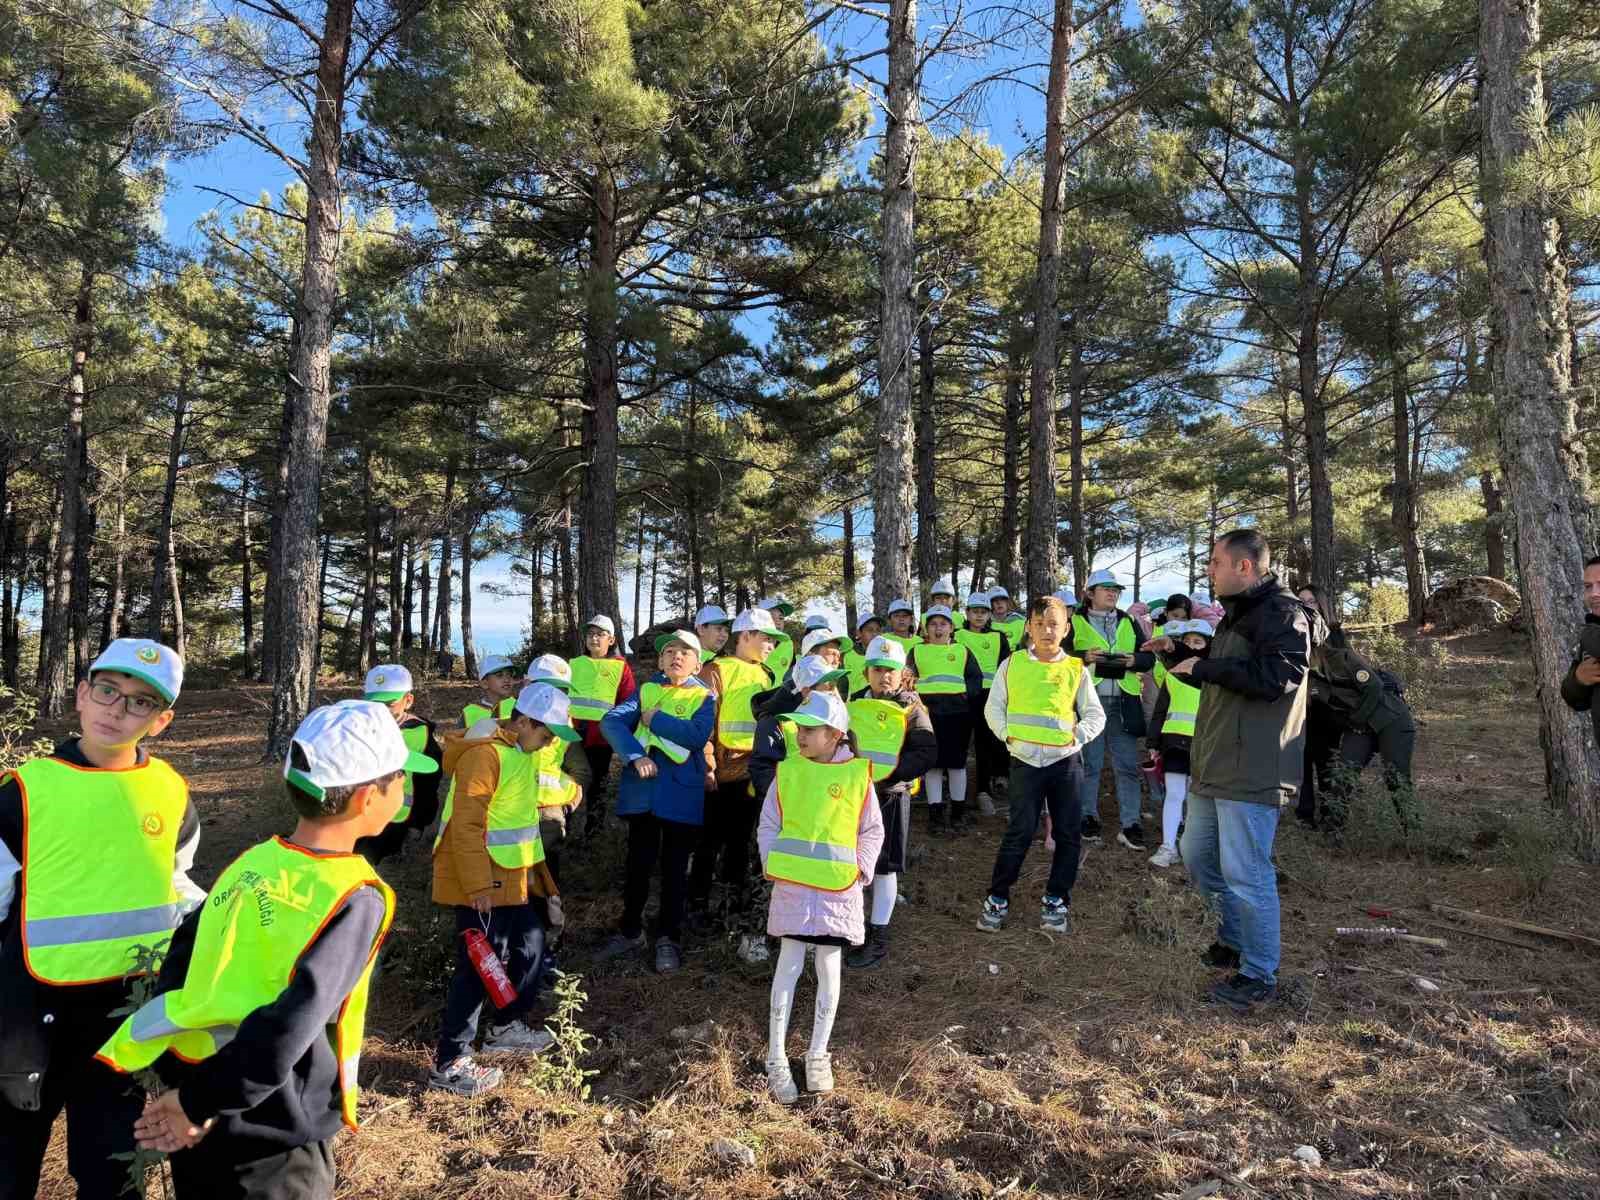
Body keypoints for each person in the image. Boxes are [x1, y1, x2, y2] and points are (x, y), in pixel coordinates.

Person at [99, 698, 436, 1198]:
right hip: (271, 1132)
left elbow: (185, 952)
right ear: (369, 798)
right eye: (399, 778)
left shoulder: (255, 859)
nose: (405, 788)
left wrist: (190, 1094)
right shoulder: (355, 895)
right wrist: (195, 1104)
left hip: (205, 1103)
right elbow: (290, 1023)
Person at [1, 639, 200, 1200]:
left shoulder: (171, 790)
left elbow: (178, 883)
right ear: (83, 694)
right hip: (28, 1017)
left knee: (110, 1169)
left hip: (126, 1018)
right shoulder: (24, 791)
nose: (118, 709)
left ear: (161, 721)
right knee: (8, 1163)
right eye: (108, 691)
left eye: (140, 702)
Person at [1144, 530, 1322, 1012]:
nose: (1210, 571)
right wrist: (1187, 662)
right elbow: (1229, 677)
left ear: (1245, 567)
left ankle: (1259, 973)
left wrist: (1205, 670)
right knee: (1197, 855)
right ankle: (1234, 940)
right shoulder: (1238, 614)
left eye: (1216, 563)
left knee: (1247, 873)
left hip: (1253, 767)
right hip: (1215, 760)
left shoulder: (1283, 614)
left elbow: (1275, 680)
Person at [428, 683, 580, 1095]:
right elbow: (467, 825)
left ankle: (506, 1025)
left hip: (512, 877)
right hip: (480, 881)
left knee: (530, 944)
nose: (549, 742)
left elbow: (519, 808)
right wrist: (477, 884)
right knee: (478, 967)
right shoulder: (486, 755)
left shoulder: (520, 750)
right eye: (546, 733)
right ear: (525, 721)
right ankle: (450, 1061)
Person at [757, 691, 883, 1104]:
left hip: (837, 892)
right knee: (788, 965)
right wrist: (771, 864)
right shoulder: (788, 771)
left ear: (834, 735)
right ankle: (775, 1057)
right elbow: (769, 824)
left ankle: (817, 1054)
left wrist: (859, 872)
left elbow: (871, 830)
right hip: (793, 888)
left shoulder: (857, 776)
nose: (801, 735)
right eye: (799, 728)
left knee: (830, 968)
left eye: (810, 729)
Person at [976, 597, 1105, 936]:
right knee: (1018, 832)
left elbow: (1095, 714)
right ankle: (997, 899)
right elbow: (994, 709)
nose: (1047, 631)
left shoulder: (1076, 669)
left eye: (1054, 624)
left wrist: (1076, 738)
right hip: (1024, 762)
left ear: (1066, 628)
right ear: (1028, 627)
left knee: (1067, 834)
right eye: (1039, 624)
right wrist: (1008, 738)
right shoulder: (1012, 664)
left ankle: (1056, 900)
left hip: (1065, 765)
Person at [597, 630, 716, 973]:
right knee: (637, 866)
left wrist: (655, 719)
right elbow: (612, 721)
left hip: (681, 795)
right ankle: (631, 930)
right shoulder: (645, 690)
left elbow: (696, 736)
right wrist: (635, 756)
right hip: (643, 796)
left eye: (684, 652)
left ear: (697, 661)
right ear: (661, 660)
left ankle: (668, 939)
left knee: (675, 871)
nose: (676, 657)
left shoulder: (705, 696)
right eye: (669, 652)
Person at [693, 608, 785, 962]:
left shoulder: (767, 674)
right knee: (708, 842)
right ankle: (698, 907)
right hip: (722, 771)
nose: (771, 645)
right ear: (744, 635)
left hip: (755, 773)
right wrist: (709, 766)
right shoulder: (716, 670)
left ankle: (732, 904)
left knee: (741, 842)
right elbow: (705, 722)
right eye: (766, 638)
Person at [842, 637, 936, 969]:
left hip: (892, 796)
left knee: (884, 867)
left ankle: (878, 937)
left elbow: (926, 752)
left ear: (901, 674)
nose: (884, 676)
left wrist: (891, 774)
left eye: (891, 671)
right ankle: (850, 928)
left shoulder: (912, 707)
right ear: (866, 671)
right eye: (878, 670)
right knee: (852, 862)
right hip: (853, 797)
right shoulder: (852, 703)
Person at [1295, 584, 1417, 829]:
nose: (1305, 607)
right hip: (1358, 725)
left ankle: (1413, 830)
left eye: (1310, 602)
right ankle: (1333, 832)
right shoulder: (1302, 655)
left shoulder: (1340, 653)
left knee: (1396, 778)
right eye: (1300, 602)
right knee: (1342, 777)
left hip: (1388, 719)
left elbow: (1373, 687)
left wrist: (1356, 720)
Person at [1066, 569, 1155, 849]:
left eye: (1116, 589)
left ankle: (1131, 825)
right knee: (1089, 765)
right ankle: (1087, 818)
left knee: (1127, 767)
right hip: (1089, 704)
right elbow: (1059, 656)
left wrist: (1133, 661)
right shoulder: (1073, 621)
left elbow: (1148, 658)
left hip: (1124, 703)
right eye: (1105, 588)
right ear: (1090, 593)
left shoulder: (1129, 621)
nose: (1112, 593)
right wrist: (1083, 657)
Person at [353, 664, 444, 866]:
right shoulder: (356, 729)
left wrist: (418, 823)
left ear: (408, 700)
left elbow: (428, 785)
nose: (381, 711)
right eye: (374, 704)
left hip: (397, 820)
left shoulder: (421, 735)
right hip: (358, 818)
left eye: (389, 704)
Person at [913, 605, 984, 836]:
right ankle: (935, 815)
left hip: (957, 715)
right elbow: (906, 678)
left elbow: (975, 678)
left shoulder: (963, 650)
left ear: (952, 628)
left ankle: (958, 814)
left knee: (957, 764)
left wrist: (966, 697)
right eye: (933, 623)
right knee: (932, 765)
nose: (938, 627)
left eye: (943, 623)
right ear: (926, 628)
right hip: (926, 716)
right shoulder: (916, 651)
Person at [1146, 620, 1212, 868]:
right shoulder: (1172, 675)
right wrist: (1153, 743)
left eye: (1198, 642)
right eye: (1187, 642)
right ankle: (1168, 848)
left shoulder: (1213, 677)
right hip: (1173, 743)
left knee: (1196, 799)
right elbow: (1160, 711)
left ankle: (1193, 850)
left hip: (1204, 745)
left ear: (1208, 646)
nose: (1192, 646)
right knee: (1174, 795)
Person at [569, 615, 638, 840]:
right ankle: (563, 827)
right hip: (570, 734)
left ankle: (594, 833)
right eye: (590, 634)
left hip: (601, 738)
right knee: (567, 780)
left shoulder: (621, 668)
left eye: (600, 634)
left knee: (598, 784)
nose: (594, 639)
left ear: (611, 639)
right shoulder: (574, 664)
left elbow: (628, 703)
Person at [957, 591, 1011, 815]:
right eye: (975, 612)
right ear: (967, 613)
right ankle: (956, 793)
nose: (979, 616)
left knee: (985, 744)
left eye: (983, 612)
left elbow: (1006, 666)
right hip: (962, 696)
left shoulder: (998, 637)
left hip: (990, 696)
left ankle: (983, 791)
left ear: (989, 614)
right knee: (959, 744)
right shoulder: (957, 635)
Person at [1561, 556, 1600, 744]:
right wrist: (1579, 679)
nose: (1594, 594)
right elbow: (1575, 699)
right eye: (1588, 586)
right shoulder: (1592, 631)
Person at [463, 653, 521, 728]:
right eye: (499, 675)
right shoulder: (469, 713)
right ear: (484, 684)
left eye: (509, 675)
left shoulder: (519, 706)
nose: (507, 679)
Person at [757, 596, 798, 680]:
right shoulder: (750, 642)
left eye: (781, 618)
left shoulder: (788, 644)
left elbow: (791, 674)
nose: (778, 622)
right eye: (772, 617)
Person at [842, 614, 881, 698]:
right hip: (857, 704)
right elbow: (842, 686)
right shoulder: (847, 655)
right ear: (859, 633)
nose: (875, 634)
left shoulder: (887, 655)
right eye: (870, 630)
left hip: (882, 705)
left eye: (878, 630)